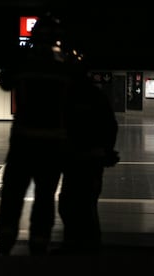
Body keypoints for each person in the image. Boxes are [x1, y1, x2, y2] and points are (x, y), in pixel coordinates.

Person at [0, 13, 72, 256]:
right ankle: (40, 240)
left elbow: (5, 82)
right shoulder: (63, 65)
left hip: (23, 139)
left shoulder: (24, 62)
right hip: (53, 140)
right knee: (45, 194)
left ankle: (6, 238)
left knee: (13, 192)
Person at [57, 71, 119, 255]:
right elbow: (111, 126)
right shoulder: (97, 98)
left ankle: (76, 244)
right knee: (86, 203)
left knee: (72, 203)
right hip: (91, 159)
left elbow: (63, 126)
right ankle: (89, 244)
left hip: (78, 159)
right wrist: (106, 151)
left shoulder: (70, 97)